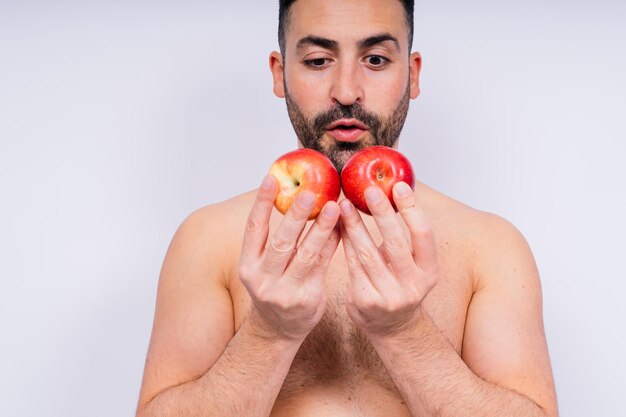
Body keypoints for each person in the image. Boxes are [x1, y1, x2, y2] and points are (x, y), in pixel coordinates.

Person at [135, 0, 558, 416]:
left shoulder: (489, 246)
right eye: (318, 61)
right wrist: (269, 333)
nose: (346, 91)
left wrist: (406, 332)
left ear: (411, 76)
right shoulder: (208, 239)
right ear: (280, 74)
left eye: (375, 59)